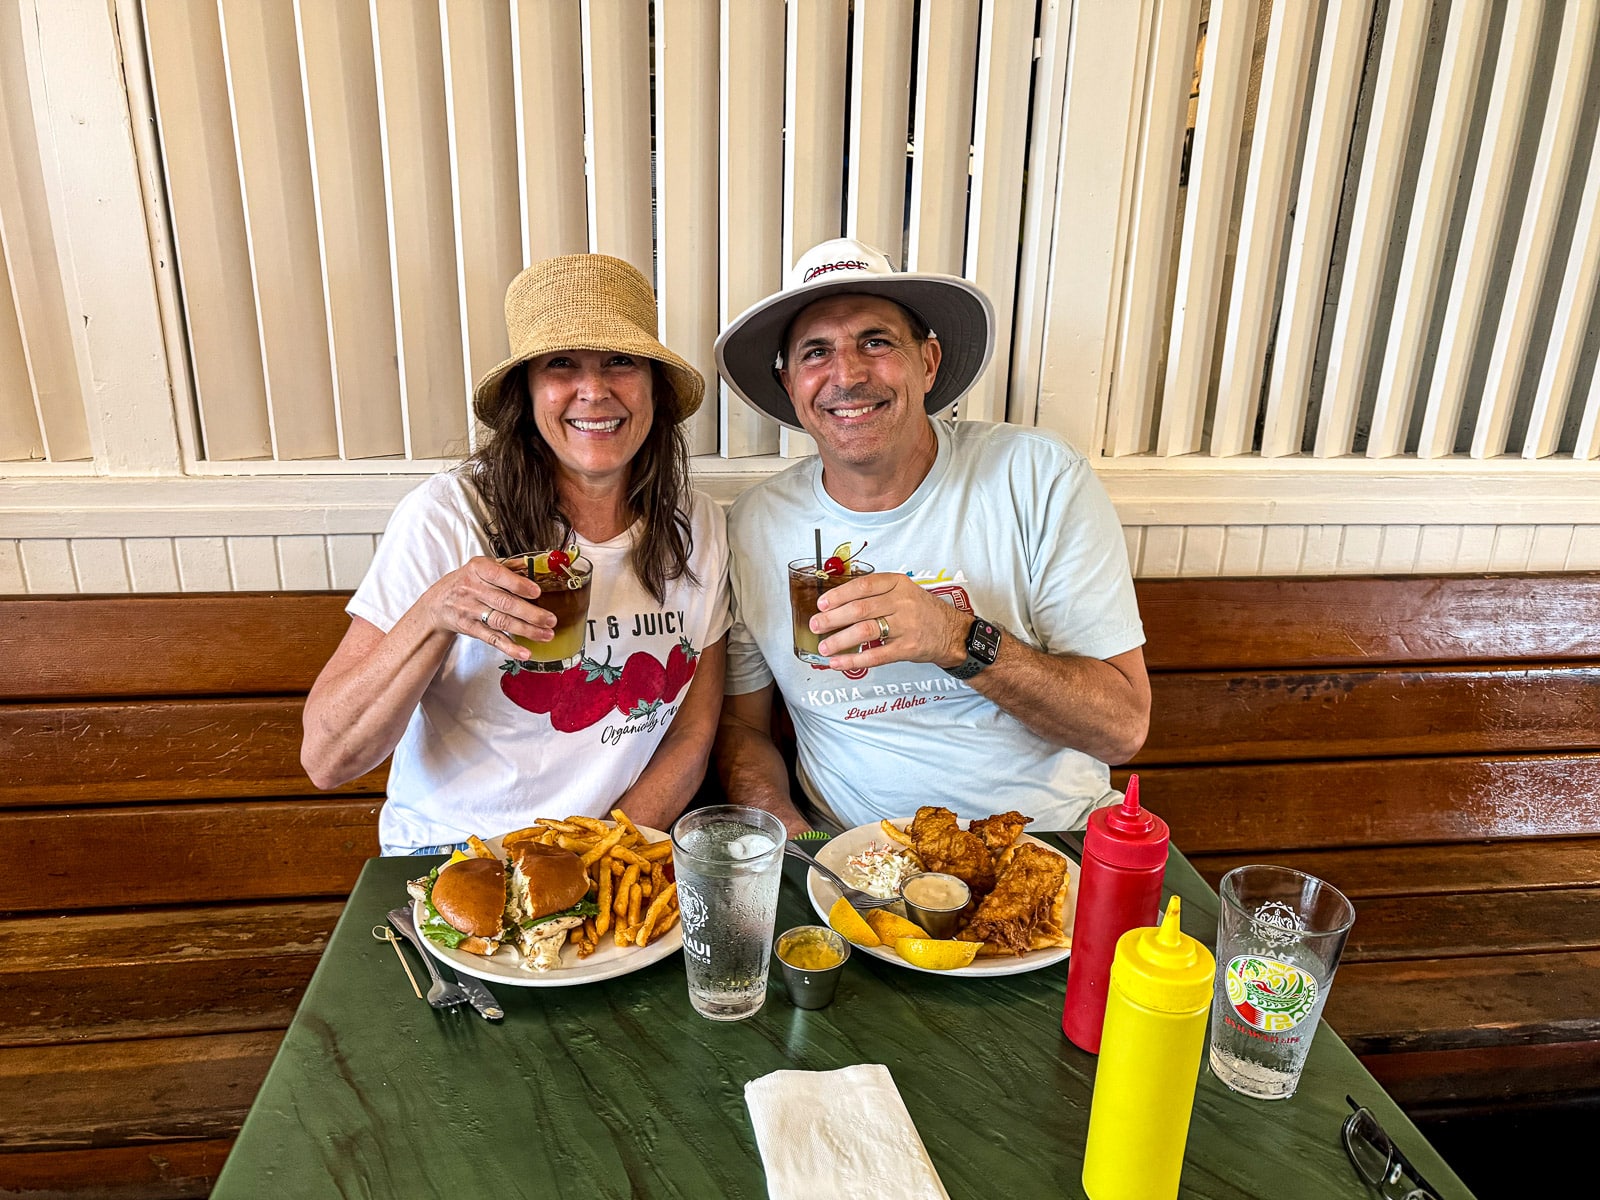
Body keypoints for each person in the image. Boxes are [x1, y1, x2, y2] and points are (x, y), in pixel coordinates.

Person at [711, 238, 1148, 835]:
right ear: (790, 384)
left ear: (928, 362)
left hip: (1045, 843)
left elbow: (1122, 729)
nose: (847, 375)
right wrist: (791, 837)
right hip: (853, 857)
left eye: (876, 342)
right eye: (816, 352)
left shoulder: (1037, 476)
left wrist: (954, 637)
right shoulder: (755, 523)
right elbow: (743, 727)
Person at [302, 254, 730, 854]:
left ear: (654, 387)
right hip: (455, 853)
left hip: (611, 849)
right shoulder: (450, 515)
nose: (594, 391)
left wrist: (601, 854)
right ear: (525, 393)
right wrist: (435, 613)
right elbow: (328, 759)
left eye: (620, 362)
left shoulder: (699, 526)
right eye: (561, 364)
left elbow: (691, 732)